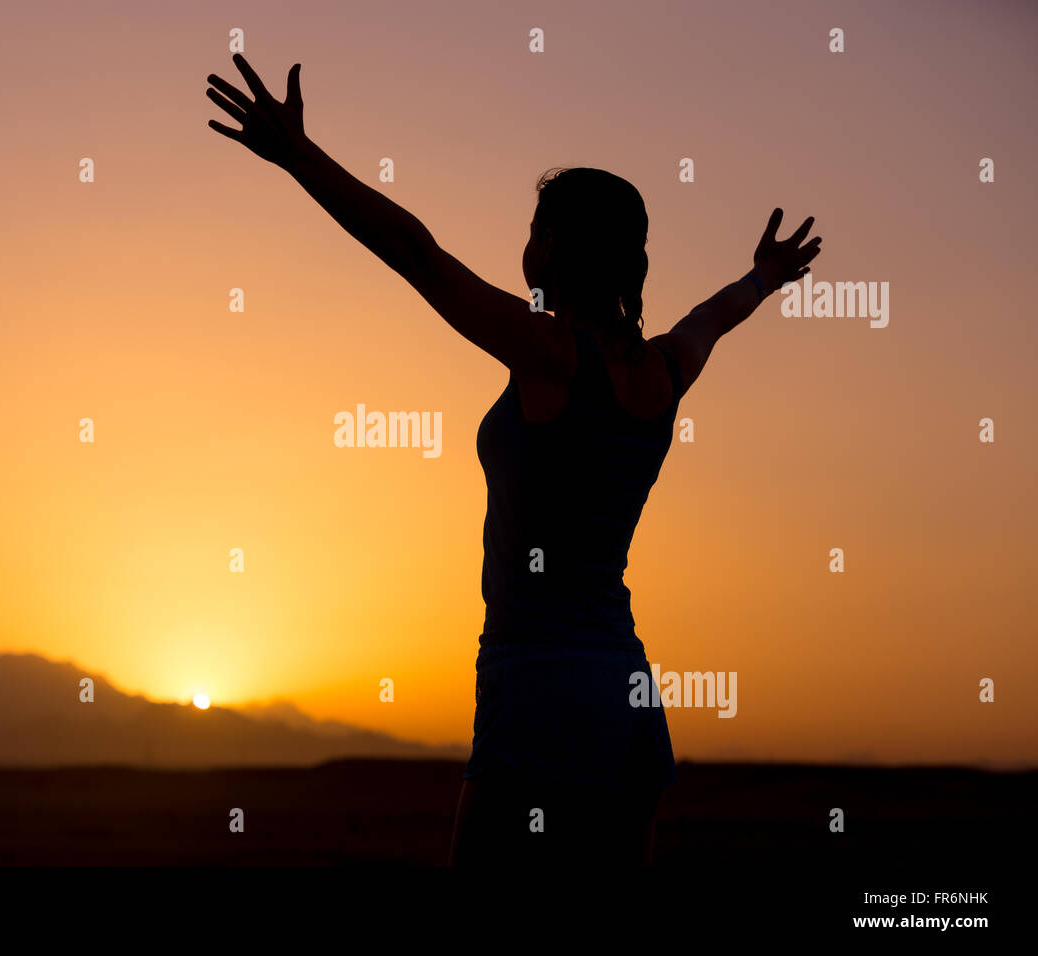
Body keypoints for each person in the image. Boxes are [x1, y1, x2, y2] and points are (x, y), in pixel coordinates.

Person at [206, 54, 822, 868]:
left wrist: (300, 159)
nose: (522, 244)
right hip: (627, 690)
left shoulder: (549, 354)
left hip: (537, 683)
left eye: (534, 229)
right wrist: (766, 276)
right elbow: (718, 313)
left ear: (558, 245)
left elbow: (415, 253)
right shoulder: (665, 368)